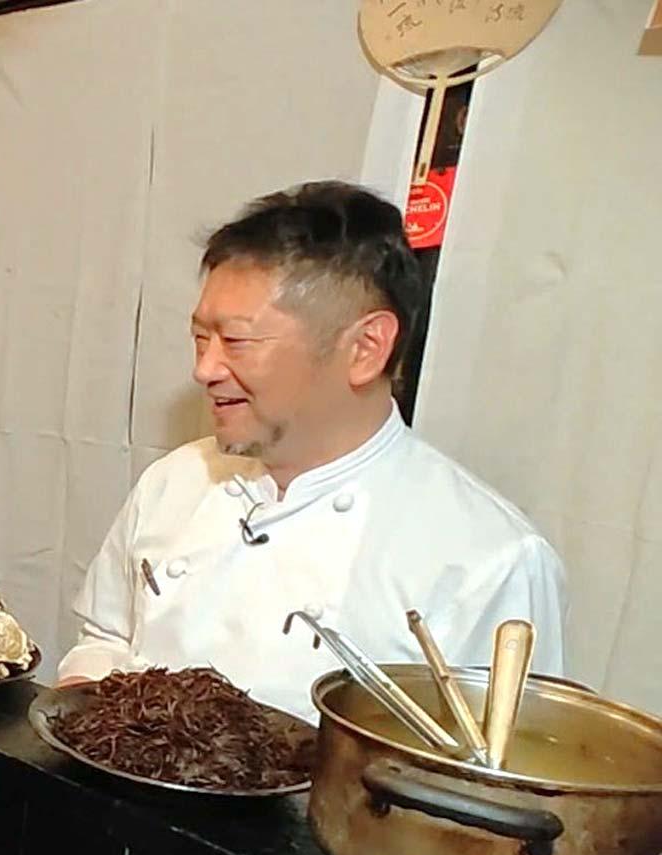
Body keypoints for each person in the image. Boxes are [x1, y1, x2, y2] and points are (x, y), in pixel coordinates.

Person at [57, 181, 566, 720]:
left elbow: (490, 782)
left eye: (237, 341)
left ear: (365, 349)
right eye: (200, 338)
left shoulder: (489, 561)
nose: (204, 369)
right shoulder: (175, 480)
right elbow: (106, 635)